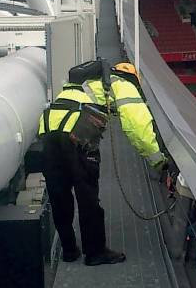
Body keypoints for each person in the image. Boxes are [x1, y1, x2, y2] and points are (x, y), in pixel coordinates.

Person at [39, 61, 167, 266]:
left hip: (48, 134)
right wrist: (158, 160)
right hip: (77, 136)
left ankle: (70, 250)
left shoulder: (83, 86)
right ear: (133, 78)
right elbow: (137, 126)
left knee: (59, 197)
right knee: (88, 198)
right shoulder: (123, 84)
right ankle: (95, 252)